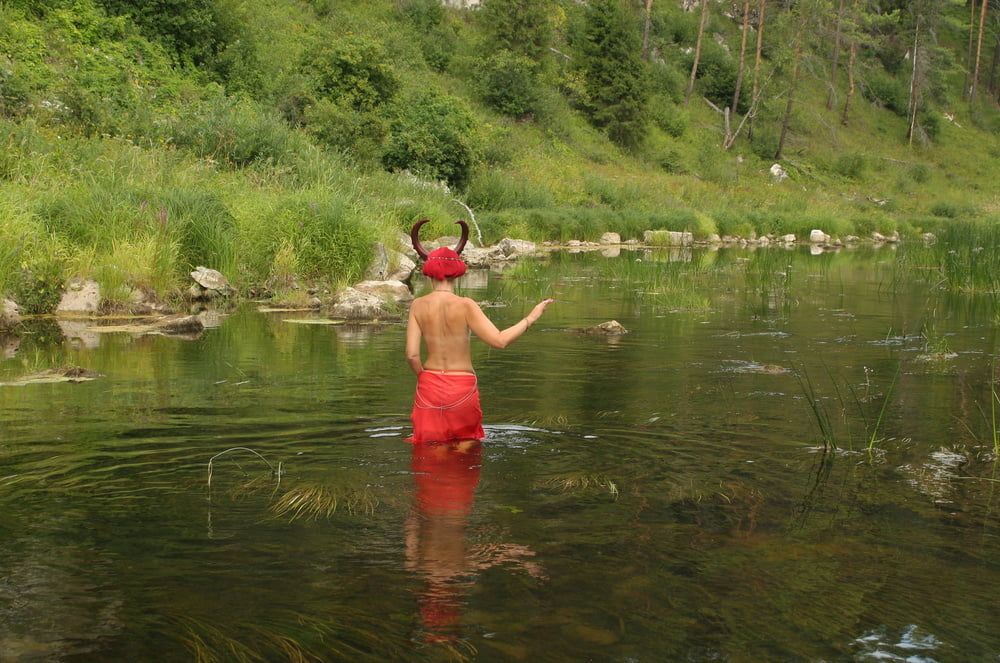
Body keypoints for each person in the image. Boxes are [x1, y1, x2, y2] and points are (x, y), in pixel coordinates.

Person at [405, 219, 554, 445]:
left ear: (428, 273)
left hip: (430, 385)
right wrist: (531, 317)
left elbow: (412, 355)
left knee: (430, 451)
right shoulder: (466, 305)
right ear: (458, 274)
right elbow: (500, 341)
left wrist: (425, 379)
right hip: (462, 388)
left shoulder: (417, 305)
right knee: (467, 447)